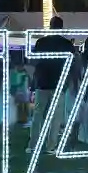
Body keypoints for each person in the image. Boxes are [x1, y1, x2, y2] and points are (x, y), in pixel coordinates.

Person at [27, 16, 76, 153]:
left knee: (38, 115)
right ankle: (51, 145)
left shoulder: (41, 42)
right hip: (58, 83)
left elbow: (35, 63)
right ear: (61, 27)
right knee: (55, 117)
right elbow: (71, 64)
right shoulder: (66, 44)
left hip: (43, 82)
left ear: (50, 26)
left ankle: (33, 145)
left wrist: (34, 80)